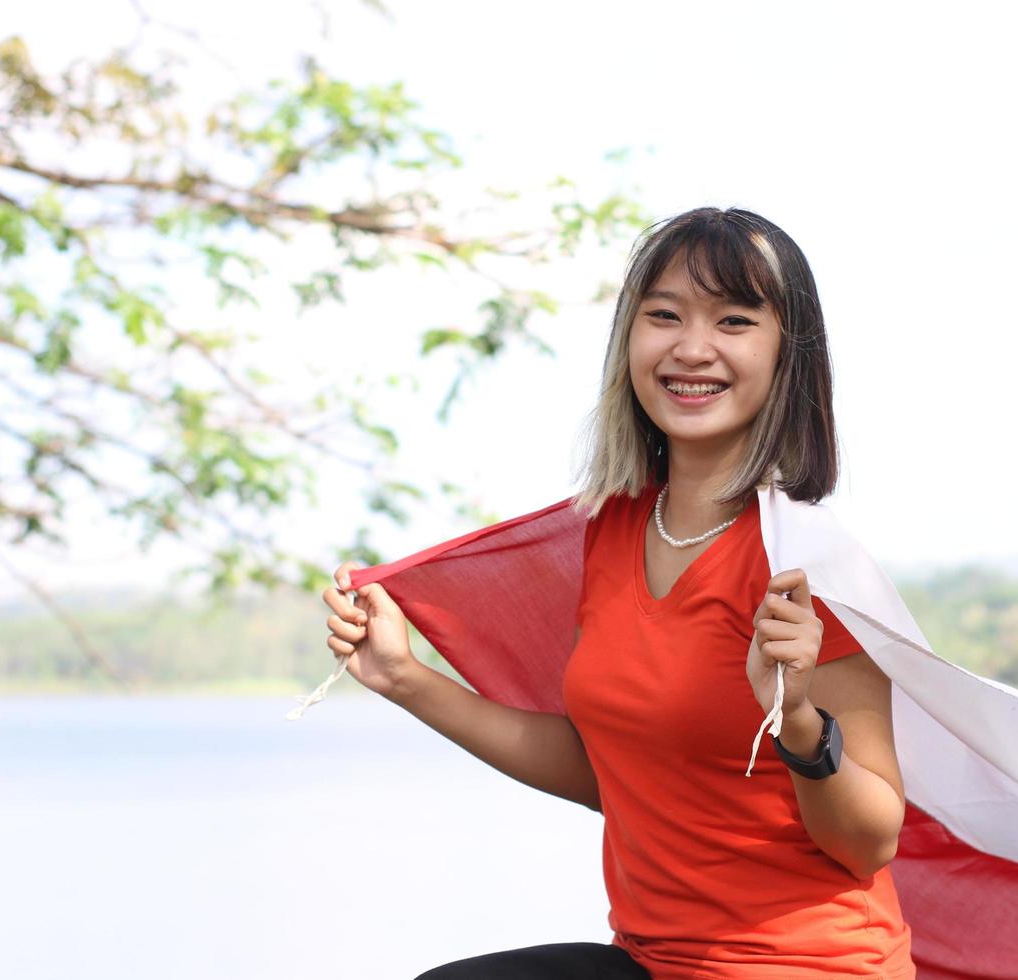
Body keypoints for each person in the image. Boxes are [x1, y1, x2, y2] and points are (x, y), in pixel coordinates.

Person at [321, 207, 916, 979]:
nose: (691, 348)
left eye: (734, 320)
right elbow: (613, 774)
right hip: (652, 960)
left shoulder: (808, 562)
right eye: (663, 316)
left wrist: (797, 720)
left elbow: (871, 841)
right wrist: (405, 678)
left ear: (786, 356)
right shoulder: (613, 530)